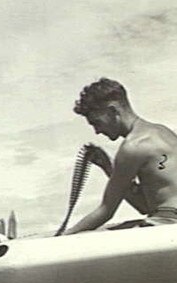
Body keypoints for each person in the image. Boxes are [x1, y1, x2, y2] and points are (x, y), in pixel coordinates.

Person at [65, 78, 177, 234]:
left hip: (167, 224)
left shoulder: (133, 147)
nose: (97, 131)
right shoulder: (162, 132)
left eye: (96, 122)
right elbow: (144, 206)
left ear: (112, 111)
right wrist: (110, 169)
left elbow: (105, 211)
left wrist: (63, 236)